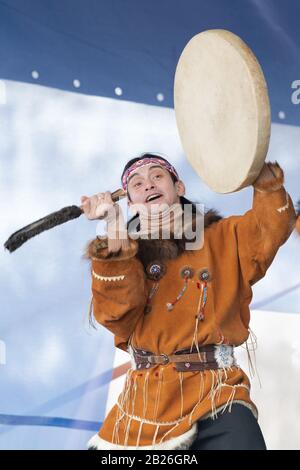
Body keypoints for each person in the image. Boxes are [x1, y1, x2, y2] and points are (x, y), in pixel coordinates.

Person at [80, 153, 297, 450]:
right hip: (146, 403)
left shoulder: (223, 237)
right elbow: (117, 314)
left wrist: (267, 183)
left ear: (178, 187)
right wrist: (114, 225)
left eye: (158, 176)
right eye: (137, 183)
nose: (148, 185)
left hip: (218, 394)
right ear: (130, 203)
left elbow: (269, 229)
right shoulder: (126, 254)